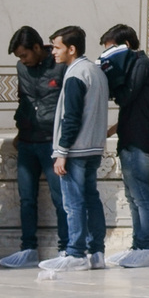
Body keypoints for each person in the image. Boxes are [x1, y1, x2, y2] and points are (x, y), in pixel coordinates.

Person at [43, 25, 108, 273]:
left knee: (74, 203)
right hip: (92, 148)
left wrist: (61, 151)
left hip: (77, 149)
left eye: (57, 47)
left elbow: (71, 117)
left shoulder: (75, 75)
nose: (53, 53)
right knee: (91, 200)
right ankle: (97, 252)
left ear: (72, 48)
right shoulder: (95, 71)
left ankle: (76, 253)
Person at [99, 25, 149, 266]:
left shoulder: (141, 65)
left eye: (111, 52)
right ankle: (138, 245)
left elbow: (127, 96)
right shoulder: (131, 66)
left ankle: (147, 247)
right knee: (132, 194)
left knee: (141, 194)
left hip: (139, 138)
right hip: (129, 136)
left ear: (125, 46)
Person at [1, 27, 62, 269]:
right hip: (27, 141)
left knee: (60, 198)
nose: (22, 61)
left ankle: (66, 248)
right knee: (26, 199)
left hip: (51, 142)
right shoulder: (21, 68)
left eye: (24, 55)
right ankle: (28, 248)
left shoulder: (59, 65)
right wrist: (20, 130)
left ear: (37, 48)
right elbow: (23, 99)